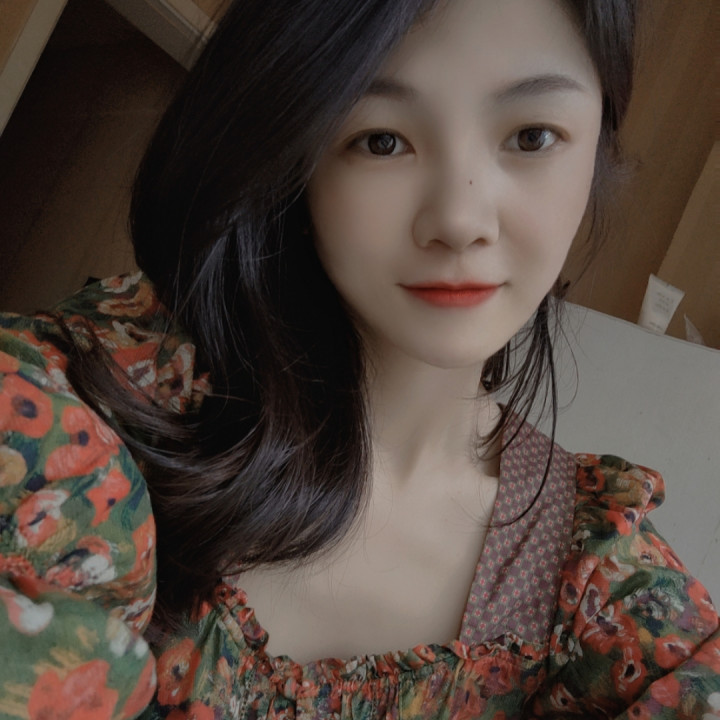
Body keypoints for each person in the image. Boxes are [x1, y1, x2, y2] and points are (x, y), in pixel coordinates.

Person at [0, 0, 718, 717]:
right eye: (381, 140)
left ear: (598, 149)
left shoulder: (601, 592)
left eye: (532, 137)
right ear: (297, 152)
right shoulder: (107, 391)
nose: (460, 219)